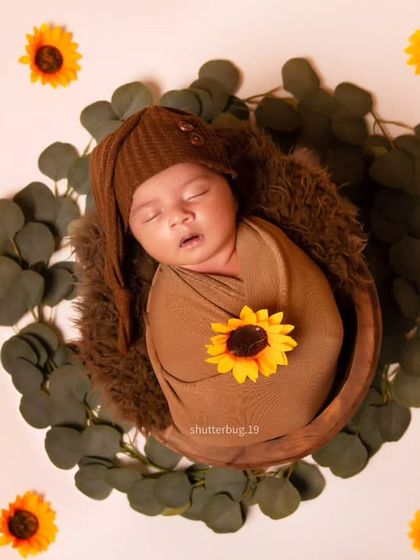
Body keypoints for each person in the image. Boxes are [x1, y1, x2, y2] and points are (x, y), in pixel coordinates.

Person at [72, 105, 376, 467]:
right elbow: (180, 367)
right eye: (152, 215)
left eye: (196, 193)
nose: (178, 216)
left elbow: (322, 321)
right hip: (219, 432)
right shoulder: (166, 302)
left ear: (231, 192)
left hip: (322, 384)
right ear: (135, 238)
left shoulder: (273, 243)